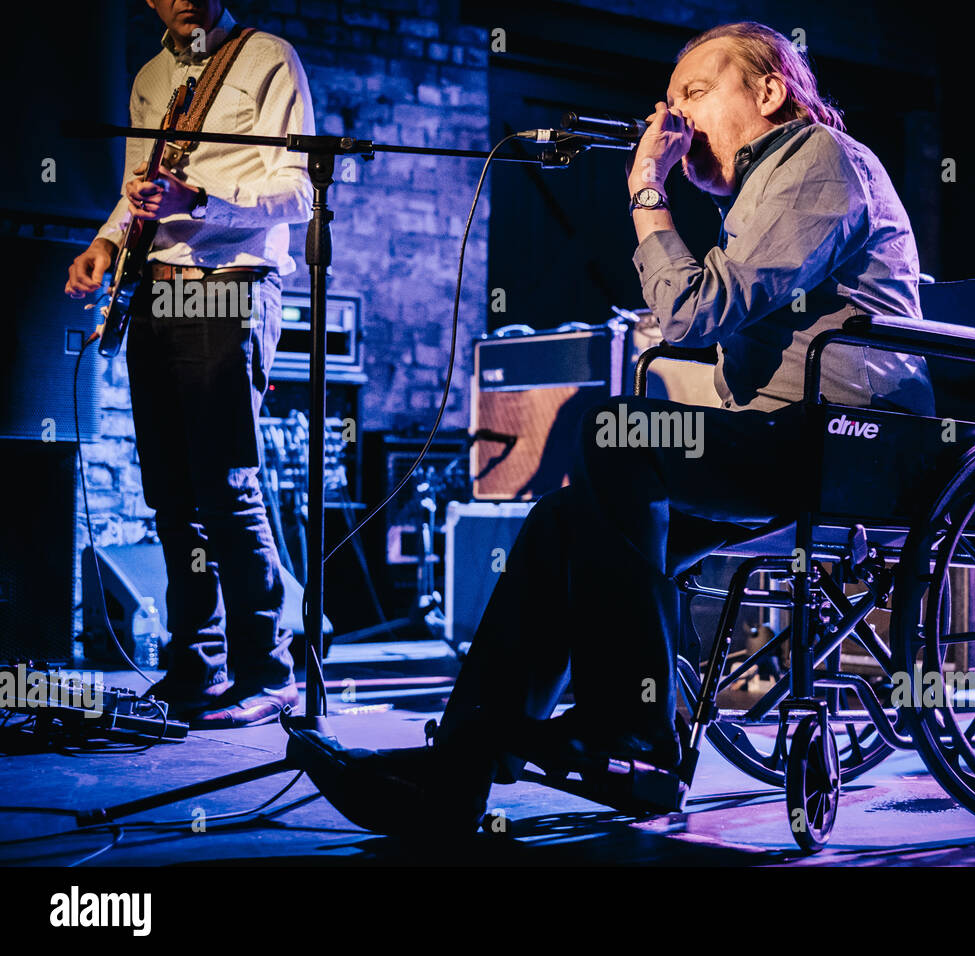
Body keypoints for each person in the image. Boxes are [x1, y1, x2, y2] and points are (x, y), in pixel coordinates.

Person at [288, 20, 932, 834]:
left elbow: (695, 312)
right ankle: (458, 769)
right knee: (563, 519)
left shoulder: (818, 161)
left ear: (768, 92)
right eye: (669, 100)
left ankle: (633, 738)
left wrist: (647, 194)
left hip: (851, 442)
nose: (675, 115)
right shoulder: (761, 188)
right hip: (783, 437)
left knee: (617, 430)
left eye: (696, 93)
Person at [64, 1, 314, 727]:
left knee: (225, 487)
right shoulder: (148, 77)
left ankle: (267, 673)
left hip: (231, 285)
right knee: (170, 496)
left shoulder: (268, 56)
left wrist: (201, 200)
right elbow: (134, 192)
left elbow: (299, 190)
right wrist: (107, 243)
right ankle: (195, 667)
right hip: (158, 290)